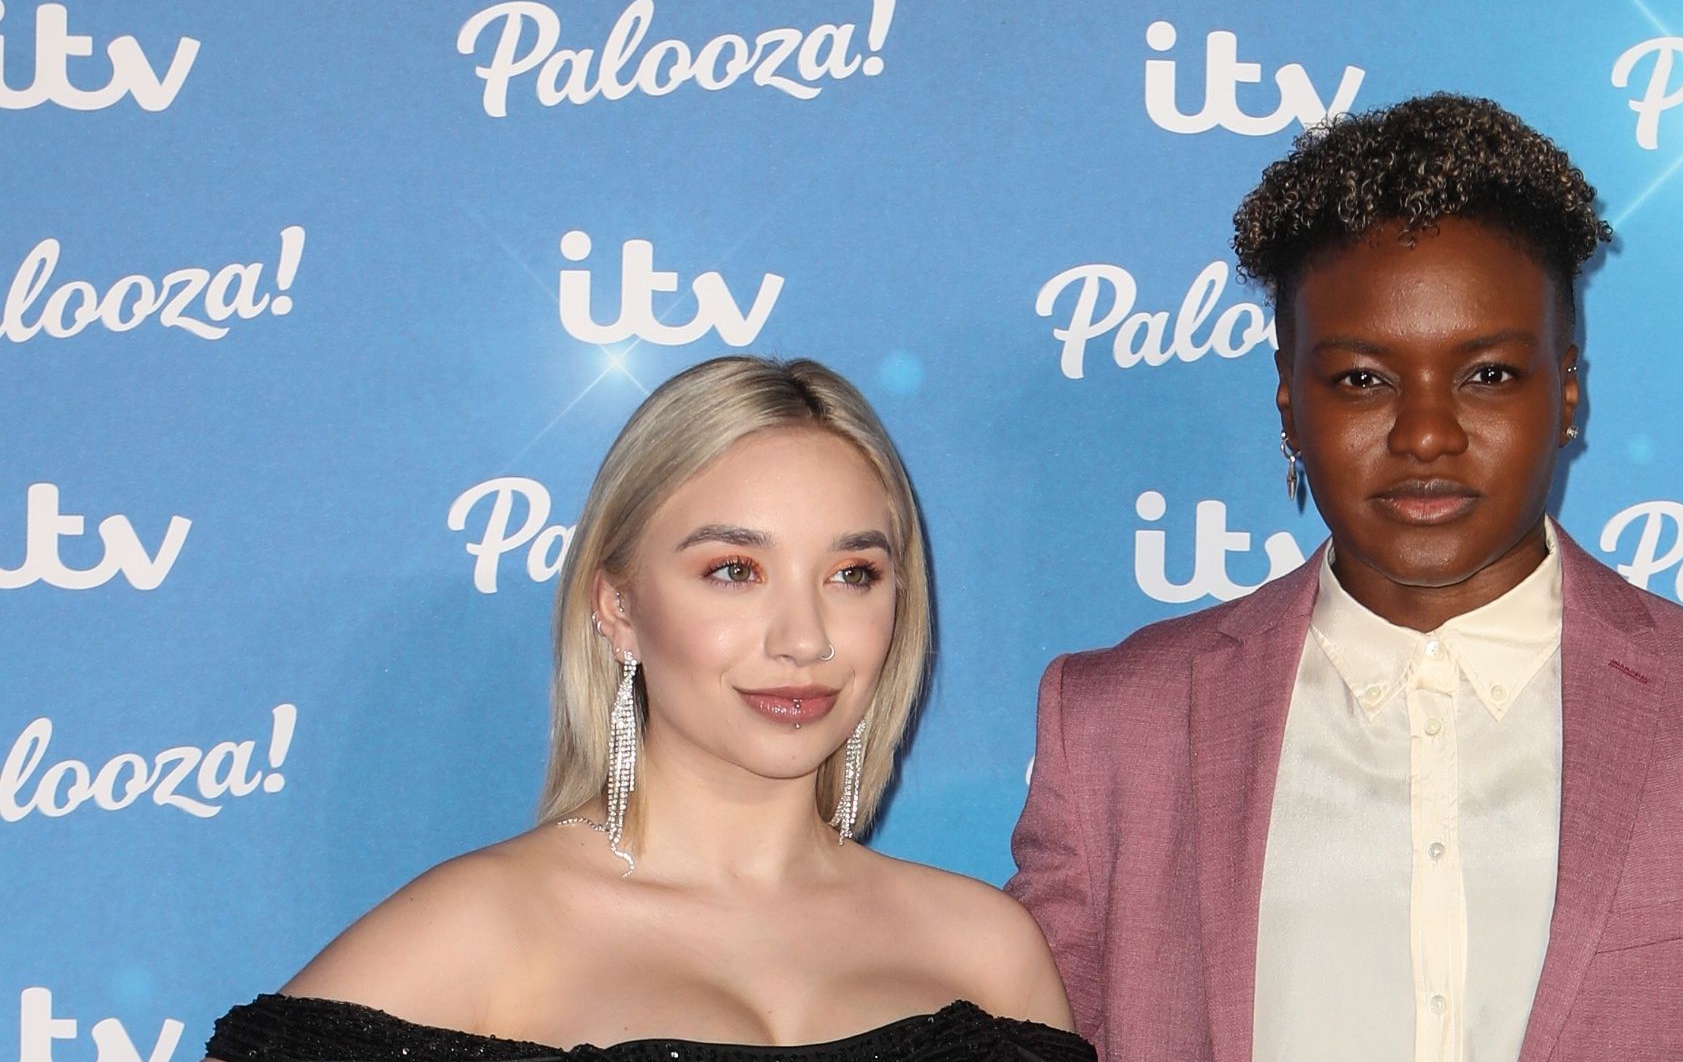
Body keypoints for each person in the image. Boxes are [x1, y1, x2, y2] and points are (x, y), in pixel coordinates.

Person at [1008, 94, 1683, 1061]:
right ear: (1288, 398)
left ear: (1568, 388)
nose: (1426, 434)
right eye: (1363, 378)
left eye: (1488, 374)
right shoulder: (1116, 732)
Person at [208, 356, 1091, 1061]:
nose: (804, 638)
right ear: (618, 607)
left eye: (852, 574)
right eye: (734, 572)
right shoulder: (487, 926)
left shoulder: (986, 950)